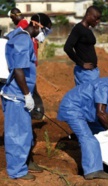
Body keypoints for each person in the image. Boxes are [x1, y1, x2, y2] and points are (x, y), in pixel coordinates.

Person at [0, 14, 52, 180]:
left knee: (21, 131)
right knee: (18, 133)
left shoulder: (16, 34)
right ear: (36, 24)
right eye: (45, 30)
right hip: (17, 95)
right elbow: (18, 69)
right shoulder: (24, 40)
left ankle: (19, 167)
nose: (44, 34)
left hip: (12, 92)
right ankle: (17, 171)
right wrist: (27, 95)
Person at [57, 68, 108, 180]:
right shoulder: (103, 87)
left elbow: (101, 114)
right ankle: (93, 171)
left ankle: (101, 160)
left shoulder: (106, 86)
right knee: (88, 138)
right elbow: (101, 113)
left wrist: (107, 130)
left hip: (83, 110)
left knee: (102, 132)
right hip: (72, 109)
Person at [64, 5, 101, 86]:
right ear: (88, 15)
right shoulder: (78, 29)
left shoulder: (88, 30)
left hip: (92, 72)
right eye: (96, 18)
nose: (97, 21)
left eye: (99, 18)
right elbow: (67, 47)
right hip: (84, 73)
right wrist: (81, 63)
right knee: (87, 96)